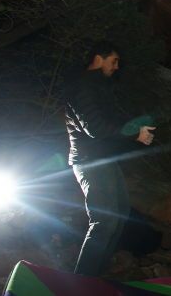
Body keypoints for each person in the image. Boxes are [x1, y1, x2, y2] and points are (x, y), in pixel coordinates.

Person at [65, 41, 156, 276]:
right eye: (114, 61)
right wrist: (135, 134)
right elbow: (95, 127)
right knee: (104, 221)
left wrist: (136, 129)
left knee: (120, 213)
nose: (116, 67)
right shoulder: (84, 85)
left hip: (102, 159)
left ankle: (95, 276)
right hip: (90, 161)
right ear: (99, 58)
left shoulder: (96, 86)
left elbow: (109, 125)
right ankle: (81, 282)